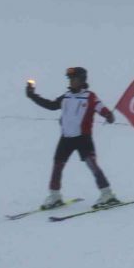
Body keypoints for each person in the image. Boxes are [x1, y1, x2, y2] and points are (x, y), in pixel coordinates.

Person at [26, 67, 120, 209]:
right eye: (69, 79)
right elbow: (51, 105)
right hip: (66, 138)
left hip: (83, 138)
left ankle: (107, 194)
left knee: (92, 165)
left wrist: (109, 115)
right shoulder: (66, 96)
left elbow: (103, 110)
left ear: (82, 80)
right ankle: (55, 195)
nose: (71, 82)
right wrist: (33, 96)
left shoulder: (90, 96)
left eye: (74, 79)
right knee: (57, 165)